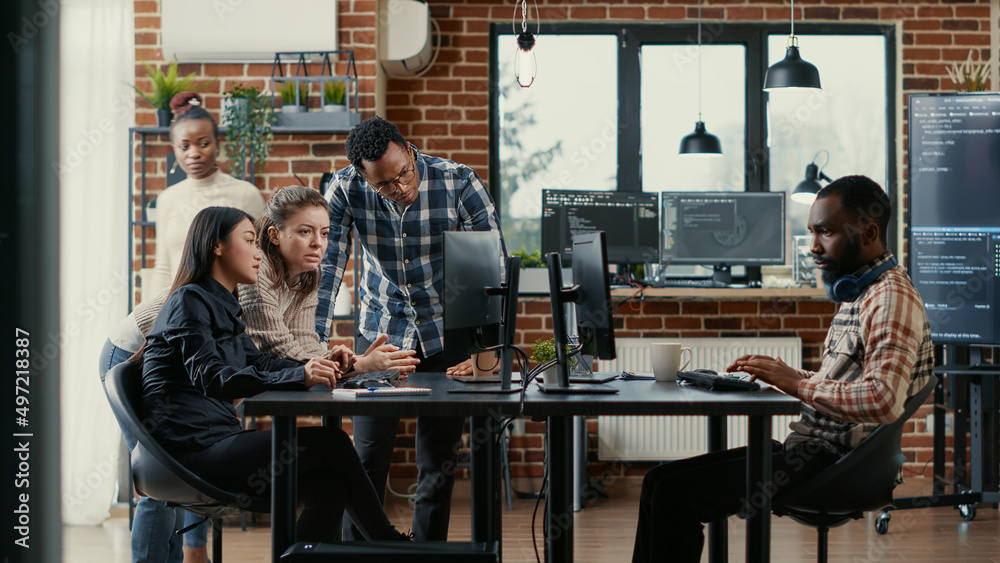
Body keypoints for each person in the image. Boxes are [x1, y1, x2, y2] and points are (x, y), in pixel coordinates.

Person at [631, 175, 934, 563]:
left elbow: (883, 400)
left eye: (825, 232)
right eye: (812, 232)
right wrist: (788, 373)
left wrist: (794, 384)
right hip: (810, 452)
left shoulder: (890, 298)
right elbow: (846, 381)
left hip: (835, 464)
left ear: (870, 231)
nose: (814, 247)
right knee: (658, 481)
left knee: (675, 496)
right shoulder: (859, 291)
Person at [138, 206, 408, 545]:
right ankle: (391, 545)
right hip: (193, 453)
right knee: (333, 442)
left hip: (217, 443)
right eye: (249, 241)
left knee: (330, 485)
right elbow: (212, 377)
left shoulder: (225, 306)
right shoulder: (189, 300)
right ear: (215, 246)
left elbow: (263, 364)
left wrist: (328, 366)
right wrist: (302, 375)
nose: (257, 253)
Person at [314, 117, 506, 541]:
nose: (401, 187)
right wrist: (313, 347)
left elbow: (494, 269)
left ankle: (427, 554)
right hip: (382, 336)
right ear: (364, 177)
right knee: (366, 457)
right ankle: (360, 554)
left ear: (409, 149)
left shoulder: (459, 182)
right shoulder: (345, 188)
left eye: (404, 172)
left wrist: (485, 351)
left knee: (437, 462)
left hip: (446, 335)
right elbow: (327, 270)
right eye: (385, 185)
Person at [239, 185, 420, 375]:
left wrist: (343, 360)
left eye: (324, 233)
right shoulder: (257, 269)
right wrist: (359, 366)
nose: (318, 242)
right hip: (239, 389)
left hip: (273, 380)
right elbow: (277, 348)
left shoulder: (307, 274)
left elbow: (305, 344)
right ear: (274, 235)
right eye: (305, 232)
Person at [147, 92, 265, 297]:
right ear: (174, 149)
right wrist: (153, 323)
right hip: (180, 314)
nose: (193, 153)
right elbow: (163, 269)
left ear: (217, 143)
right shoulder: (168, 199)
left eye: (203, 144)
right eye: (184, 146)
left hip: (230, 313)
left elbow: (261, 262)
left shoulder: (246, 195)